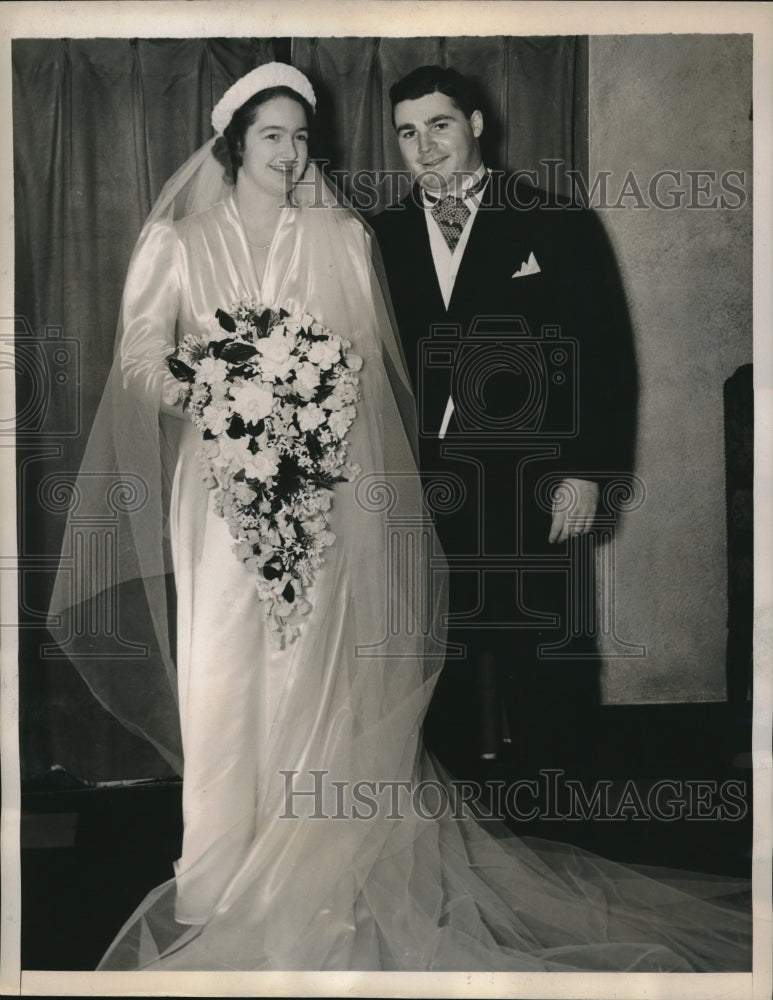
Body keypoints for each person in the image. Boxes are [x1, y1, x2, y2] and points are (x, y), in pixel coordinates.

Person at [49, 63, 749, 972]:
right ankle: (224, 866)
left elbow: (555, 354)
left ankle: (518, 837)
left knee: (384, 671)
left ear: (476, 126)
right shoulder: (200, 241)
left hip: (436, 487)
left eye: (304, 136)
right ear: (232, 144)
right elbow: (146, 361)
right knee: (237, 670)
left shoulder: (359, 235)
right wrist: (230, 390)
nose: (294, 151)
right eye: (273, 135)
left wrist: (584, 469)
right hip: (231, 492)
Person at [371, 65, 638, 769]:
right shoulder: (376, 238)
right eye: (406, 132)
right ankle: (461, 850)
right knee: (439, 667)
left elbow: (604, 356)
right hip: (427, 488)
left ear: (476, 125)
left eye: (439, 125)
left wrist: (586, 471)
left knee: (551, 663)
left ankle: (569, 835)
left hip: (539, 484)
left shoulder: (555, 218)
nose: (424, 147)